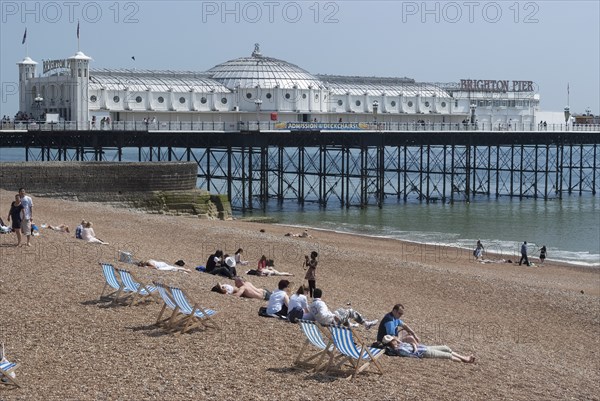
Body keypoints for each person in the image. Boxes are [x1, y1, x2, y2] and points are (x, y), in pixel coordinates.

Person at [309, 288, 378, 329]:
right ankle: (366, 324)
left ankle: (350, 325)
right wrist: (333, 316)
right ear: (321, 295)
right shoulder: (320, 303)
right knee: (350, 311)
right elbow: (323, 314)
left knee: (341, 311)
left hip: (324, 324)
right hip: (332, 322)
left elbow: (313, 316)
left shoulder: (311, 305)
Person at [382, 335, 475, 363]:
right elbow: (413, 353)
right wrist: (414, 345)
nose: (395, 340)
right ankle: (465, 360)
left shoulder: (399, 345)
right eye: (393, 340)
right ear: (390, 343)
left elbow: (410, 343)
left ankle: (464, 357)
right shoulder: (399, 350)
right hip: (423, 352)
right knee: (447, 355)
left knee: (445, 348)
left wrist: (412, 343)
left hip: (424, 348)